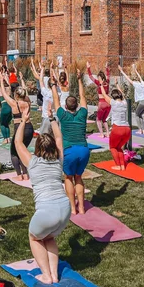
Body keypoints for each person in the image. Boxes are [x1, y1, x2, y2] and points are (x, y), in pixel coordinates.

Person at [13, 108, 70, 284]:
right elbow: (59, 138)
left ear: (37, 148)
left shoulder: (32, 162)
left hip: (48, 210)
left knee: (34, 238)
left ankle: (46, 275)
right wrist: (52, 118)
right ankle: (54, 274)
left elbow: (18, 142)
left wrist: (23, 120)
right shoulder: (58, 159)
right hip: (65, 208)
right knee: (49, 237)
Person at [53, 70, 89, 215]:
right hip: (84, 150)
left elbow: (56, 100)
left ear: (66, 107)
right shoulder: (83, 113)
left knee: (68, 177)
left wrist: (53, 86)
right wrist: (80, 79)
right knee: (78, 177)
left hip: (69, 150)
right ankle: (81, 207)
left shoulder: (62, 115)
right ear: (77, 106)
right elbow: (83, 96)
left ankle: (73, 209)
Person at [0, 72, 34, 179]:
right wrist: (22, 80)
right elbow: (25, 92)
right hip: (29, 128)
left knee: (14, 152)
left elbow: (4, 94)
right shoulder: (28, 102)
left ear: (16, 95)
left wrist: (1, 80)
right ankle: (26, 174)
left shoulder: (14, 103)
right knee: (22, 151)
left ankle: (19, 175)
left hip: (20, 129)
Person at [100, 85, 130, 170]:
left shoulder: (113, 102)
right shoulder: (125, 103)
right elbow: (123, 95)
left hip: (118, 129)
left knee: (113, 147)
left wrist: (101, 84)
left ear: (113, 96)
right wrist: (118, 85)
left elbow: (104, 94)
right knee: (119, 147)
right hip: (127, 129)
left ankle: (118, 165)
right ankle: (122, 165)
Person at [118, 63, 144, 134]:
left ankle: (140, 130)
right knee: (140, 115)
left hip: (143, 102)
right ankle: (143, 130)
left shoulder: (136, 84)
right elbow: (140, 77)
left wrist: (122, 71)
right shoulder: (142, 83)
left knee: (137, 114)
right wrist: (136, 70)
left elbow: (128, 79)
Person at [87, 62, 111, 138]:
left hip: (102, 104)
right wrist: (106, 68)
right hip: (108, 103)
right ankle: (107, 133)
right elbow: (108, 75)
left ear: (99, 78)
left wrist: (88, 68)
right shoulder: (107, 82)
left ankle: (101, 134)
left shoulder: (98, 83)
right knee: (104, 119)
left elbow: (90, 77)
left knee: (98, 119)